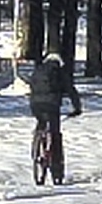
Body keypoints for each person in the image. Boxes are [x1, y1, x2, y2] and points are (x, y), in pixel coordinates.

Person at [25, 51, 85, 185]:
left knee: (41, 122)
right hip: (52, 105)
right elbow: (70, 90)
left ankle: (37, 145)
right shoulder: (59, 72)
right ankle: (57, 171)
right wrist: (77, 108)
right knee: (55, 134)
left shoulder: (38, 70)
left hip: (35, 105)